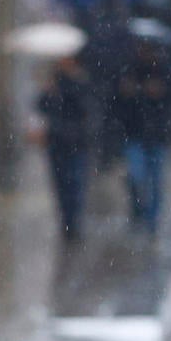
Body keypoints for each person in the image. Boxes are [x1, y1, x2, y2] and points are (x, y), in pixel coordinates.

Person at [112, 39, 171, 233]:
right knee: (136, 176)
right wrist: (129, 93)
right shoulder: (129, 70)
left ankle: (152, 219)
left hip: (157, 136)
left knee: (155, 180)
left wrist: (160, 93)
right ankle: (138, 210)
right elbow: (118, 104)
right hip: (135, 135)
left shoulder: (164, 70)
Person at [37, 55, 98, 240]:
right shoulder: (53, 83)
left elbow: (88, 111)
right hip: (57, 144)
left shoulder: (83, 83)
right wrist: (49, 93)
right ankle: (67, 221)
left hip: (77, 144)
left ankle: (73, 223)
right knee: (61, 185)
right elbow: (42, 107)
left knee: (75, 184)